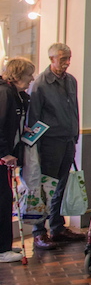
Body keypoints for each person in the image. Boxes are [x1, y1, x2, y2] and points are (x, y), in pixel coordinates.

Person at [26, 43, 85, 250]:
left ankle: (57, 227)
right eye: (63, 59)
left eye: (69, 58)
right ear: (51, 59)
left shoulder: (71, 81)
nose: (67, 63)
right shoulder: (40, 84)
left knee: (61, 186)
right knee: (45, 188)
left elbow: (74, 110)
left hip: (68, 140)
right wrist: (34, 149)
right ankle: (39, 231)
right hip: (49, 143)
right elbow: (33, 118)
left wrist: (75, 135)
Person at [0, 58, 35, 263]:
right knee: (3, 202)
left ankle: (4, 246)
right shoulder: (5, 93)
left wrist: (23, 130)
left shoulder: (17, 95)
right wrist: (4, 153)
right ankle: (2, 249)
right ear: (18, 75)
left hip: (7, 158)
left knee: (6, 201)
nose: (31, 79)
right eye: (29, 74)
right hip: (3, 159)